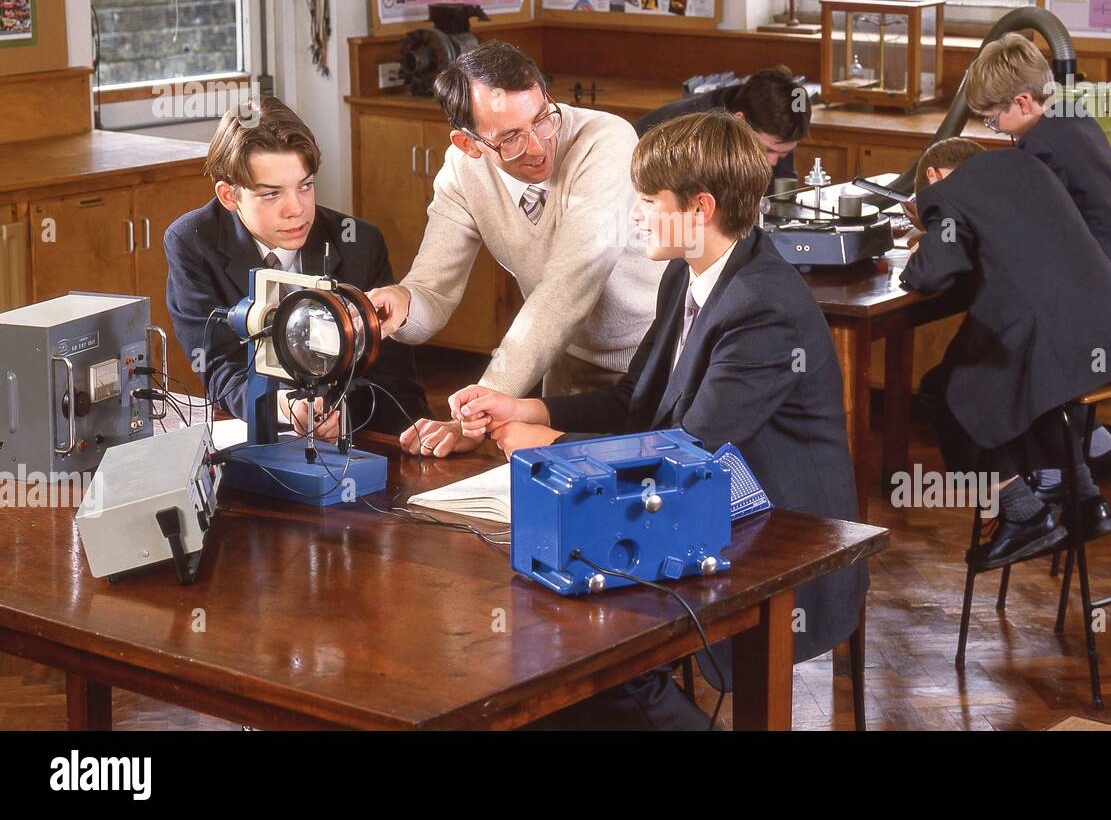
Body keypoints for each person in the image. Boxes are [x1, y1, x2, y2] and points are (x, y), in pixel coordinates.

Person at [450, 111, 868, 730]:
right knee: (561, 608)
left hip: (777, 535)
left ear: (699, 208)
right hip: (700, 510)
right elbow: (633, 402)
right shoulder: (686, 271)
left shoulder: (763, 305)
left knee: (595, 635)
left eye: (647, 200)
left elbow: (690, 452)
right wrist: (526, 408)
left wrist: (550, 444)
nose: (635, 215)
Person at [367, 40, 664, 457]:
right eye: (510, 139)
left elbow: (567, 289)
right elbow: (433, 291)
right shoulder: (462, 171)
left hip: (651, 363)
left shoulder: (606, 141)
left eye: (543, 119)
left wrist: (480, 407)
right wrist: (400, 303)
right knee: (560, 500)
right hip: (564, 363)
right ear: (467, 144)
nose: (540, 147)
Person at [900, 137, 1111, 567]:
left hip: (1057, 349)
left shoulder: (946, 190)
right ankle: (1086, 499)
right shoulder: (1030, 168)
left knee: (944, 390)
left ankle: (1021, 514)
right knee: (1031, 386)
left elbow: (933, 274)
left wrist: (923, 240)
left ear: (934, 177)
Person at [963, 32, 1111, 491]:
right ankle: (1094, 450)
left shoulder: (1041, 149)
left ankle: (1055, 485)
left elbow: (1037, 240)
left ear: (1021, 101)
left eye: (993, 120)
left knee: (1002, 363)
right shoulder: (1073, 118)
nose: (994, 130)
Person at [165, 96, 432, 438]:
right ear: (229, 196)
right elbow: (218, 368)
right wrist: (280, 407)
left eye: (305, 186)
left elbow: (394, 381)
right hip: (261, 431)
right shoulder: (192, 242)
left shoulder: (360, 243)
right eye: (271, 195)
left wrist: (344, 413)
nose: (297, 210)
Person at [634, 66, 811, 183]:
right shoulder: (693, 132)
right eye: (767, 150)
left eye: (783, 154)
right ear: (739, 120)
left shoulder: (778, 127)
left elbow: (781, 197)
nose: (773, 162)